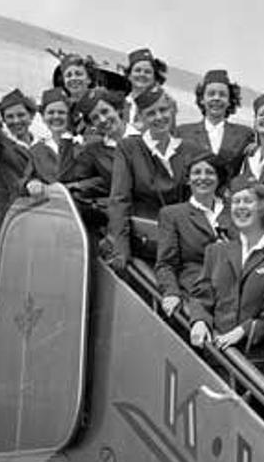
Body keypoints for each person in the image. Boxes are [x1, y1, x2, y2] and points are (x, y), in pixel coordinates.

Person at [188, 177, 264, 369]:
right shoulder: (216, 251)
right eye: (236, 202)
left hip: (257, 361)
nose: (240, 207)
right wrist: (199, 320)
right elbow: (201, 295)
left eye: (248, 201)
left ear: (263, 207)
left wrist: (244, 330)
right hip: (215, 355)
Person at [103, 85, 191, 269]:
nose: (159, 117)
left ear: (172, 110)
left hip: (179, 247)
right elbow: (119, 200)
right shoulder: (129, 148)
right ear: (141, 118)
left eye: (163, 110)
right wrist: (121, 250)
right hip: (144, 243)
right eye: (151, 113)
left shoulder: (186, 150)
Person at [155, 150, 232, 318]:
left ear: (219, 178)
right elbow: (166, 264)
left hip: (236, 293)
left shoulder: (235, 209)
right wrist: (171, 293)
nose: (202, 177)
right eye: (196, 173)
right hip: (196, 293)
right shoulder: (173, 214)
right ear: (188, 180)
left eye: (210, 172)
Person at [67, 87, 128, 229]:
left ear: (117, 109)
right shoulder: (94, 151)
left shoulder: (146, 136)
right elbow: (72, 177)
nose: (102, 119)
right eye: (95, 118)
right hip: (123, 222)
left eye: (105, 111)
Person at [177, 68, 253, 173]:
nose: (216, 98)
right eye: (211, 94)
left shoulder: (245, 134)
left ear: (230, 101)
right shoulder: (183, 132)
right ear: (202, 99)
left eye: (222, 94)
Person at [0, 89, 40, 198]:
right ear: (3, 120)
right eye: (9, 117)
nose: (16, 121)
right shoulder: (3, 146)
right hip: (21, 207)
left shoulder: (43, 145)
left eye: (21, 115)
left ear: (31, 116)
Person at [29, 87, 82, 187]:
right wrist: (32, 183)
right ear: (43, 117)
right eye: (50, 112)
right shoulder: (36, 151)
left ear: (69, 116)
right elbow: (26, 178)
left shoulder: (83, 144)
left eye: (61, 112)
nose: (56, 116)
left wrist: (79, 185)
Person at [119, 46, 168, 135]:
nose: (142, 74)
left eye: (147, 72)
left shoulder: (162, 109)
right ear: (129, 75)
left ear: (155, 78)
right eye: (137, 70)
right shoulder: (118, 104)